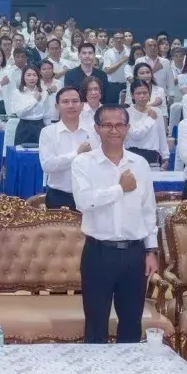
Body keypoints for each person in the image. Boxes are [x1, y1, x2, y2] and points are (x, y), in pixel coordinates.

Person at [73, 106, 159, 344]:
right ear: (97, 128)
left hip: (134, 253)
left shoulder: (140, 164)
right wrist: (120, 189)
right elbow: (84, 202)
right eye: (107, 125)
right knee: (96, 323)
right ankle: (96, 369)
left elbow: (148, 210)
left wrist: (151, 250)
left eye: (119, 125)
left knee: (131, 323)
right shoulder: (83, 162)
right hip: (99, 252)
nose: (114, 130)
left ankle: (128, 370)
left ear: (127, 128)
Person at [38, 86, 95, 211]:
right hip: (59, 196)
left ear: (82, 105)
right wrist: (77, 154)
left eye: (75, 101)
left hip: (89, 196)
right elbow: (48, 165)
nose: (71, 105)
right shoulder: (48, 132)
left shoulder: (94, 131)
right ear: (57, 106)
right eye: (65, 102)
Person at [123, 80, 167, 166]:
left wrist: (165, 157)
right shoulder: (126, 113)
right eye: (138, 93)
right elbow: (136, 135)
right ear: (132, 95)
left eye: (145, 93)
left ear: (149, 93)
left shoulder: (156, 111)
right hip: (132, 155)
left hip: (152, 155)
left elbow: (161, 135)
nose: (142, 96)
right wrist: (150, 119)